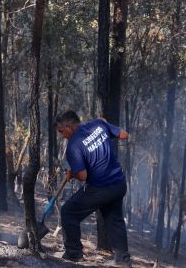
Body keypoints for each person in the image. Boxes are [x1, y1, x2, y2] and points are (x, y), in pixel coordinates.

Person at [55, 110, 130, 266]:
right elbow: (124, 134)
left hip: (101, 188)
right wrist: (105, 127)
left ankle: (74, 254)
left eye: (61, 131)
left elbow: (82, 176)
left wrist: (73, 174)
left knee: (68, 212)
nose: (62, 135)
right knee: (114, 220)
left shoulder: (73, 145)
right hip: (119, 183)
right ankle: (123, 261)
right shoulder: (98, 124)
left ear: (69, 126)